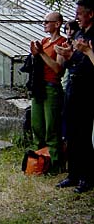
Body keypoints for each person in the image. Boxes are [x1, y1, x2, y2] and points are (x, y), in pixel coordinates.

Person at [55, 0, 94, 193]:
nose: (76, 17)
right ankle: (73, 174)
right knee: (70, 132)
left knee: (84, 135)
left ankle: (87, 177)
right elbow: (73, 63)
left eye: (79, 13)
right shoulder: (79, 34)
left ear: (90, 14)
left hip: (88, 91)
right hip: (73, 88)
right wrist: (67, 55)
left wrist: (86, 51)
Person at [28, 12, 66, 173]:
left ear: (57, 24)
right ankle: (39, 159)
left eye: (47, 21)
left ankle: (55, 162)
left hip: (52, 87)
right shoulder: (44, 41)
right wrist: (35, 54)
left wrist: (42, 53)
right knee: (37, 124)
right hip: (39, 87)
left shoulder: (62, 44)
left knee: (52, 126)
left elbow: (58, 69)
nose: (44, 24)